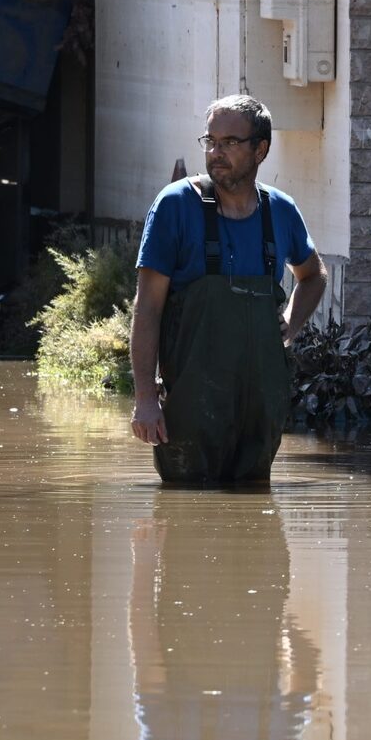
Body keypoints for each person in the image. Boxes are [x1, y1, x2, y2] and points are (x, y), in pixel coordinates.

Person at [129, 94, 327, 483]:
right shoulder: (176, 206)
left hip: (260, 412)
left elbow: (314, 275)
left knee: (256, 523)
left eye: (230, 143)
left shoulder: (280, 211)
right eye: (210, 141)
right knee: (185, 517)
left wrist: (291, 322)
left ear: (261, 149)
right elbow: (147, 308)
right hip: (191, 410)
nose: (216, 153)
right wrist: (145, 398)